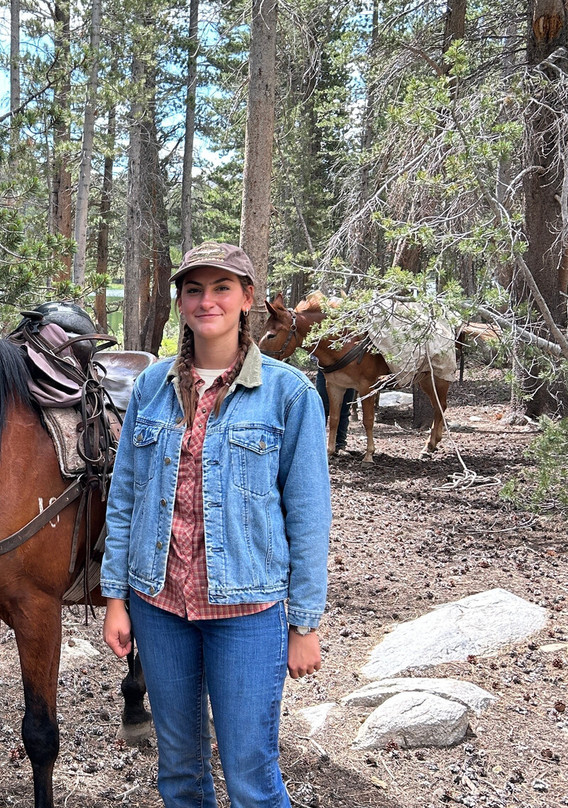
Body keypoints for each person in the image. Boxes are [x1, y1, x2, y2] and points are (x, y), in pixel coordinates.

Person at [101, 242, 331, 808]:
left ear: (247, 299)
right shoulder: (151, 388)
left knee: (252, 775)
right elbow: (126, 497)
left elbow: (308, 516)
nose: (208, 301)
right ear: (181, 302)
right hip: (160, 608)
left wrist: (304, 623)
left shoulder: (288, 393)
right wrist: (115, 599)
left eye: (222, 288)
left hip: (247, 612)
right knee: (180, 770)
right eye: (194, 289)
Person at [314, 369, 354, 453]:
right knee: (322, 408)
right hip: (326, 370)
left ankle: (340, 444)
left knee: (344, 409)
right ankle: (318, 444)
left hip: (349, 371)